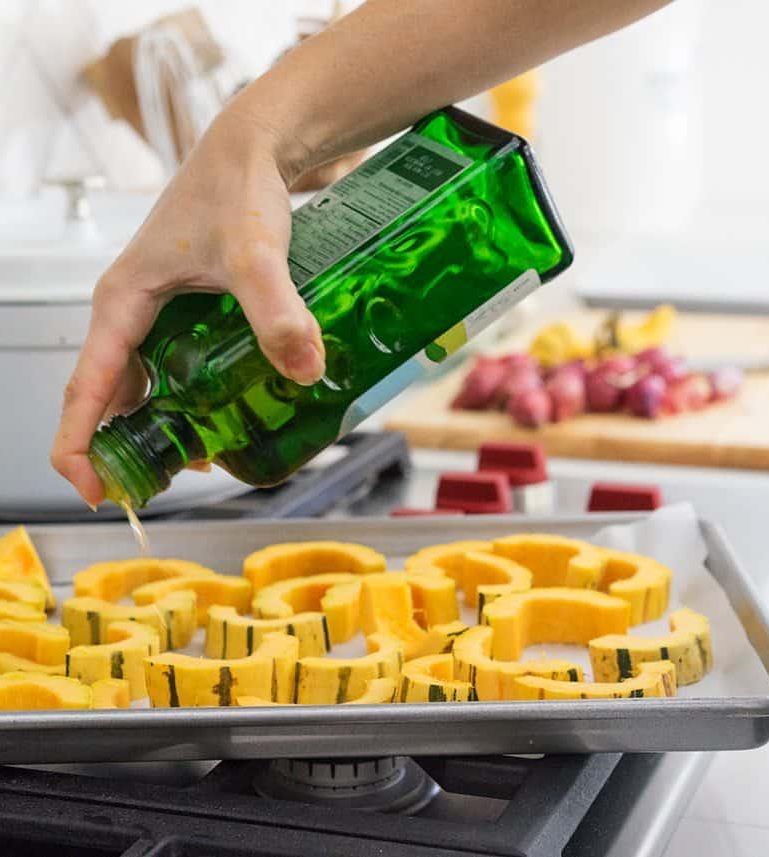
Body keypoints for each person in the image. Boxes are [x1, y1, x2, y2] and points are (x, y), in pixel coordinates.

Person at [52, 0, 671, 506]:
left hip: (483, 194)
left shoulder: (188, 356)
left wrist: (253, 139)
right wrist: (253, 139)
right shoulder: (242, 439)